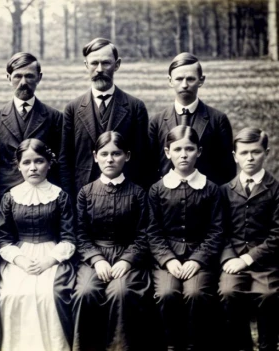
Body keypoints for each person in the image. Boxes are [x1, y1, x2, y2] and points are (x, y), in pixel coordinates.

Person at [72, 131, 151, 351]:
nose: (110, 159)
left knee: (122, 293)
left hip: (127, 259)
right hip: (95, 258)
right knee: (85, 292)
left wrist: (127, 260)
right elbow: (80, 234)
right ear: (95, 156)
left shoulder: (137, 193)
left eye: (116, 154)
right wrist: (96, 259)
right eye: (104, 154)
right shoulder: (86, 193)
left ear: (127, 156)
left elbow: (143, 234)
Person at [147, 125, 224, 351]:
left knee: (195, 293)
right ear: (167, 151)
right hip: (167, 259)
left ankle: (194, 345)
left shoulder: (211, 189)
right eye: (177, 149)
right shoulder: (157, 190)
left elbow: (216, 231)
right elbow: (153, 231)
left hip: (200, 258)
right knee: (166, 293)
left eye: (189, 149)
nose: (183, 154)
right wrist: (168, 260)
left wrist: (197, 259)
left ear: (198, 151)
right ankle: (171, 345)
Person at [0, 139, 76, 351]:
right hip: (20, 256)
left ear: (49, 163)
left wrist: (48, 261)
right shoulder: (10, 197)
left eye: (39, 161)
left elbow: (69, 237)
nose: (33, 167)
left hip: (52, 255)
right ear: (19, 165)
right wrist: (20, 260)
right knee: (11, 294)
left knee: (47, 294)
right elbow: (4, 238)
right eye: (27, 162)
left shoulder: (60, 196)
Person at [60, 37, 150, 197]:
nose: (99, 69)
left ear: (117, 65)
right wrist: (71, 201)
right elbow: (66, 161)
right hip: (84, 196)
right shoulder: (72, 109)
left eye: (106, 63)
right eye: (94, 63)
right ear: (86, 65)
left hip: (125, 196)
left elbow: (142, 160)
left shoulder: (135, 107)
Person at [219, 127, 279, 351]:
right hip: (232, 260)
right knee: (227, 292)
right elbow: (220, 231)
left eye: (256, 152)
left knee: (268, 295)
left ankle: (267, 345)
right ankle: (241, 345)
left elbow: (277, 235)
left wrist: (247, 259)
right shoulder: (225, 191)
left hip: (265, 264)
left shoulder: (275, 190)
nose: (250, 158)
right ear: (235, 156)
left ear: (267, 153)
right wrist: (227, 259)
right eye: (243, 153)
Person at [149, 52, 235, 186]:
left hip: (206, 198)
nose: (184, 85)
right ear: (170, 81)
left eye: (190, 79)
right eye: (179, 79)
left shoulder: (217, 120)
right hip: (167, 200)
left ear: (201, 80)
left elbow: (227, 170)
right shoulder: (156, 121)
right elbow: (150, 168)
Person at [0, 52, 62, 198]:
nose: (23, 82)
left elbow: (61, 162)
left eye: (29, 76)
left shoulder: (55, 117)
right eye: (17, 76)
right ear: (9, 78)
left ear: (39, 78)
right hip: (7, 194)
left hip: (45, 195)